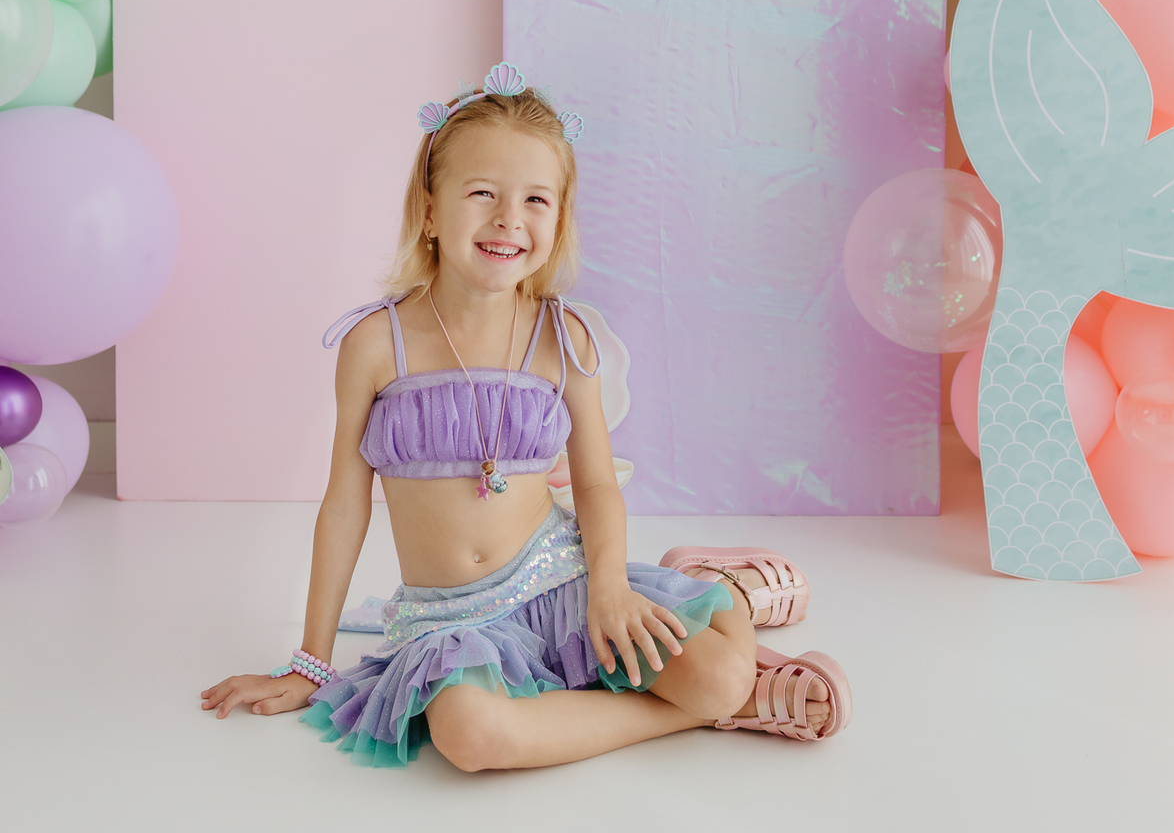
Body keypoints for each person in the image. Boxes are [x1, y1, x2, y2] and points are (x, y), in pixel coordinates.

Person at [202, 67, 851, 770]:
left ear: (559, 220)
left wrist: (608, 588)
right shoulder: (375, 345)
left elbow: (595, 485)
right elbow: (344, 505)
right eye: (482, 193)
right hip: (452, 620)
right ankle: (706, 711)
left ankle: (718, 622)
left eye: (536, 199)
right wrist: (312, 661)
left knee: (719, 676)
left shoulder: (562, 339)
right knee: (471, 738)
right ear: (429, 210)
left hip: (562, 581)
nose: (509, 218)